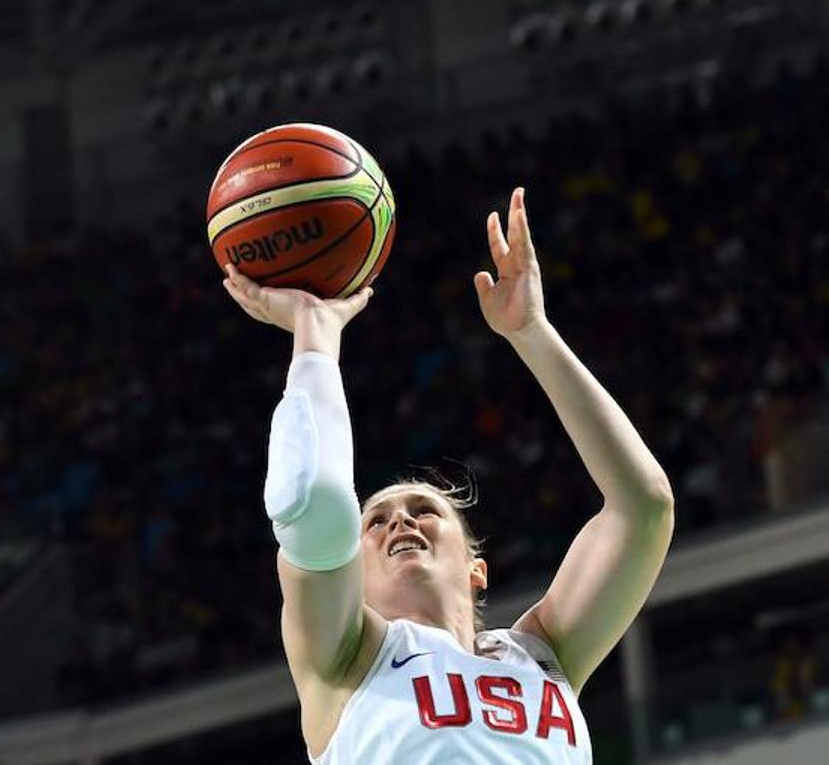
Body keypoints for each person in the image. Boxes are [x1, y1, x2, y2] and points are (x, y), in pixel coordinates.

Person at [221, 187, 675, 763]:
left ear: (475, 567)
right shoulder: (344, 659)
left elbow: (644, 506)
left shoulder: (541, 654)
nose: (399, 521)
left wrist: (531, 332)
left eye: (425, 511)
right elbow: (313, 502)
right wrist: (315, 328)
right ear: (350, 575)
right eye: (376, 521)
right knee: (317, 509)